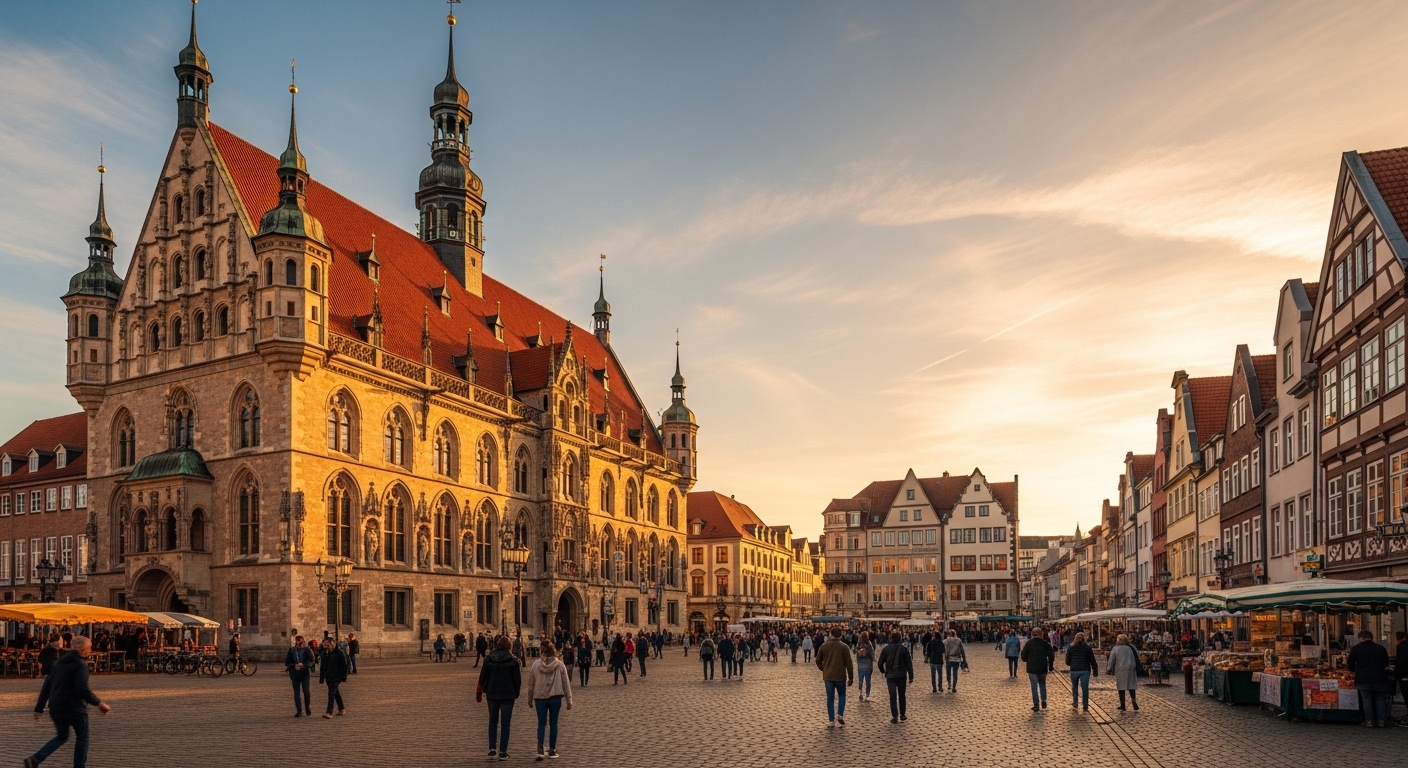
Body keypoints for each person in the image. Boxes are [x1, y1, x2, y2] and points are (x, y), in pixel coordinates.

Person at [25, 636, 110, 768]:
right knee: (82, 737)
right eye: (89, 647)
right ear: (83, 649)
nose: (90, 650)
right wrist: (99, 703)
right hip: (75, 708)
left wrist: (39, 708)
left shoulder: (57, 663)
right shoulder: (80, 665)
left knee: (62, 736)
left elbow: (46, 686)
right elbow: (82, 689)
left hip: (56, 707)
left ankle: (35, 759)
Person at [478, 635, 523, 759]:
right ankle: (503, 751)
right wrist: (516, 692)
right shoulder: (514, 661)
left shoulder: (489, 659)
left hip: (492, 693)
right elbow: (517, 680)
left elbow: (483, 676)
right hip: (508, 694)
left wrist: (480, 691)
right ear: (509, 646)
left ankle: (492, 748)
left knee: (492, 721)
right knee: (505, 723)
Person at [528, 640, 573, 761]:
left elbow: (531, 683)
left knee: (541, 723)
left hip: (540, 697)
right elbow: (565, 683)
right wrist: (569, 700)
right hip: (555, 697)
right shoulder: (559, 664)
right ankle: (552, 749)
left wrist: (530, 698)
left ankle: (540, 748)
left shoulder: (536, 664)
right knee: (553, 724)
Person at [1346, 629, 1392, 727]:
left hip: (1363, 678)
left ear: (1361, 638)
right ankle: (1381, 721)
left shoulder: (1356, 648)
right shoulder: (1380, 648)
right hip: (1380, 677)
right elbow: (1386, 663)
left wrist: (1354, 670)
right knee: (1380, 699)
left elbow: (1350, 663)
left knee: (1366, 699)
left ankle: (1369, 721)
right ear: (1371, 638)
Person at [815, 627, 854, 728]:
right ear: (841, 635)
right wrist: (851, 677)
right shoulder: (844, 647)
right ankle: (840, 714)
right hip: (840, 676)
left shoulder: (824, 646)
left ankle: (831, 721)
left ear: (831, 634)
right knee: (842, 696)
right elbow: (849, 664)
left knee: (830, 699)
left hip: (828, 676)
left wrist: (824, 669)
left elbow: (818, 660)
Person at [877, 631, 914, 723]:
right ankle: (902, 714)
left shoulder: (886, 649)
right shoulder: (904, 649)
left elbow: (880, 662)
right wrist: (911, 676)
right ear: (900, 638)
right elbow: (909, 663)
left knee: (892, 696)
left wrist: (883, 671)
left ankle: (895, 716)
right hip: (902, 675)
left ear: (891, 638)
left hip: (890, 676)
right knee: (902, 695)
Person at [1020, 628, 1056, 712]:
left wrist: (1025, 659)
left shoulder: (1029, 643)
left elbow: (1024, 654)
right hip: (1042, 667)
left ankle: (1036, 704)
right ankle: (1043, 700)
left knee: (1034, 686)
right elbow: (1051, 655)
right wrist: (1050, 666)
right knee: (1042, 684)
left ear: (1032, 634)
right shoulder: (1045, 644)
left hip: (1032, 668)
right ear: (1041, 634)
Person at [1065, 632, 1097, 711]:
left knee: (1074, 687)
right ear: (1084, 639)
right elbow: (1092, 660)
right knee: (1085, 688)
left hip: (1074, 670)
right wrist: (1095, 670)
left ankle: (1075, 702)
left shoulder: (1071, 648)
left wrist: (1071, 663)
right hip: (1085, 670)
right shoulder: (1087, 648)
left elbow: (1067, 661)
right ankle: (1085, 704)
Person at [1107, 634, 1139, 711]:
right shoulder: (1131, 647)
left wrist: (1109, 668)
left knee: (1121, 687)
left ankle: (1123, 705)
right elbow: (1136, 656)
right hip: (1131, 668)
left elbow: (1111, 659)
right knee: (1131, 685)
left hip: (1120, 669)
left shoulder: (1116, 648)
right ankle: (1133, 700)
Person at [285, 636, 315, 717]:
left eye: (301, 643)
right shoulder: (292, 650)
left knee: (306, 692)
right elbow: (287, 662)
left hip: (305, 673)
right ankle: (299, 711)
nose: (300, 644)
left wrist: (303, 665)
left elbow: (311, 661)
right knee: (296, 692)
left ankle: (307, 707)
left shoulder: (307, 650)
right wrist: (294, 665)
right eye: (298, 643)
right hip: (295, 673)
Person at [319, 637, 349, 718]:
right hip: (328, 676)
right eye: (324, 645)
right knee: (335, 693)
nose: (325, 647)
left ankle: (329, 712)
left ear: (333, 644)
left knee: (331, 693)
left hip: (337, 676)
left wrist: (343, 676)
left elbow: (344, 665)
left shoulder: (339, 653)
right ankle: (341, 708)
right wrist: (321, 677)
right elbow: (323, 665)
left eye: (327, 645)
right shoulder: (324, 653)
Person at [855, 631, 877, 701]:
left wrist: (858, 659)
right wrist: (873, 659)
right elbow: (872, 653)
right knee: (868, 681)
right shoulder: (869, 643)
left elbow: (855, 652)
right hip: (868, 665)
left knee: (861, 680)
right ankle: (867, 695)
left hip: (861, 665)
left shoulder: (859, 643)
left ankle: (860, 693)